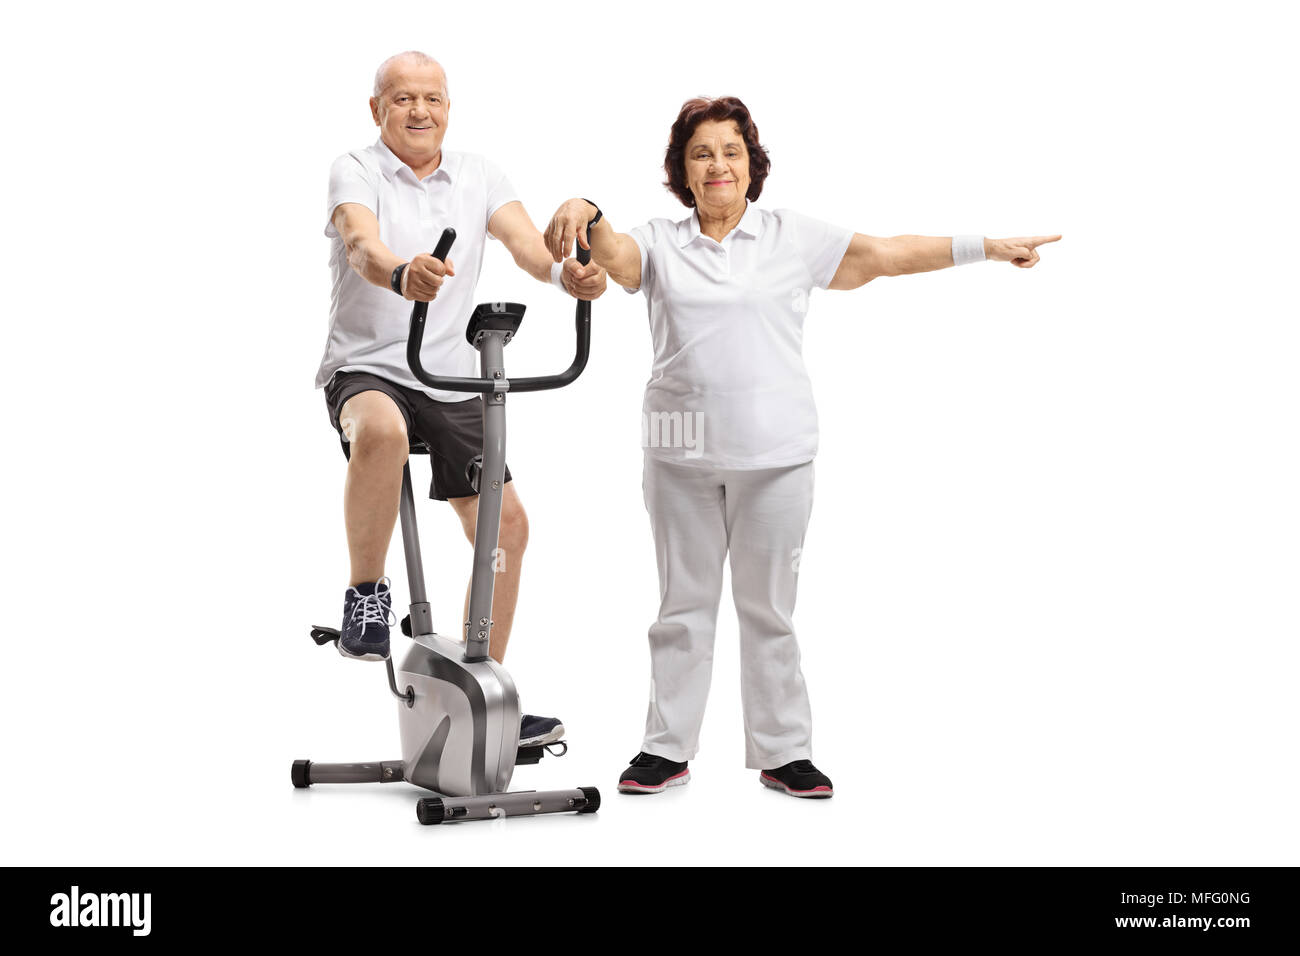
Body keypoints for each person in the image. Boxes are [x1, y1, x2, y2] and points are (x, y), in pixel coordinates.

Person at [545, 95, 1060, 798]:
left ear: (752, 165)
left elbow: (884, 254)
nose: (718, 164)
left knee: (768, 610)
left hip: (776, 456)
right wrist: (584, 206)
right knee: (681, 608)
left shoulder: (792, 236)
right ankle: (666, 748)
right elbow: (616, 258)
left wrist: (985, 248)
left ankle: (784, 751)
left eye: (731, 151)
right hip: (679, 454)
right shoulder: (661, 241)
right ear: (683, 172)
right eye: (702, 153)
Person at [315, 51, 606, 747]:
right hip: (368, 369)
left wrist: (571, 275)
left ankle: (485, 702)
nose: (420, 110)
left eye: (433, 98)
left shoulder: (479, 174)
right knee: (381, 432)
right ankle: (366, 597)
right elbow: (360, 243)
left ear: (449, 107)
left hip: (447, 376)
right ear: (377, 108)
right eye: (404, 98)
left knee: (507, 530)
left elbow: (533, 251)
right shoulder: (354, 169)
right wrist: (399, 272)